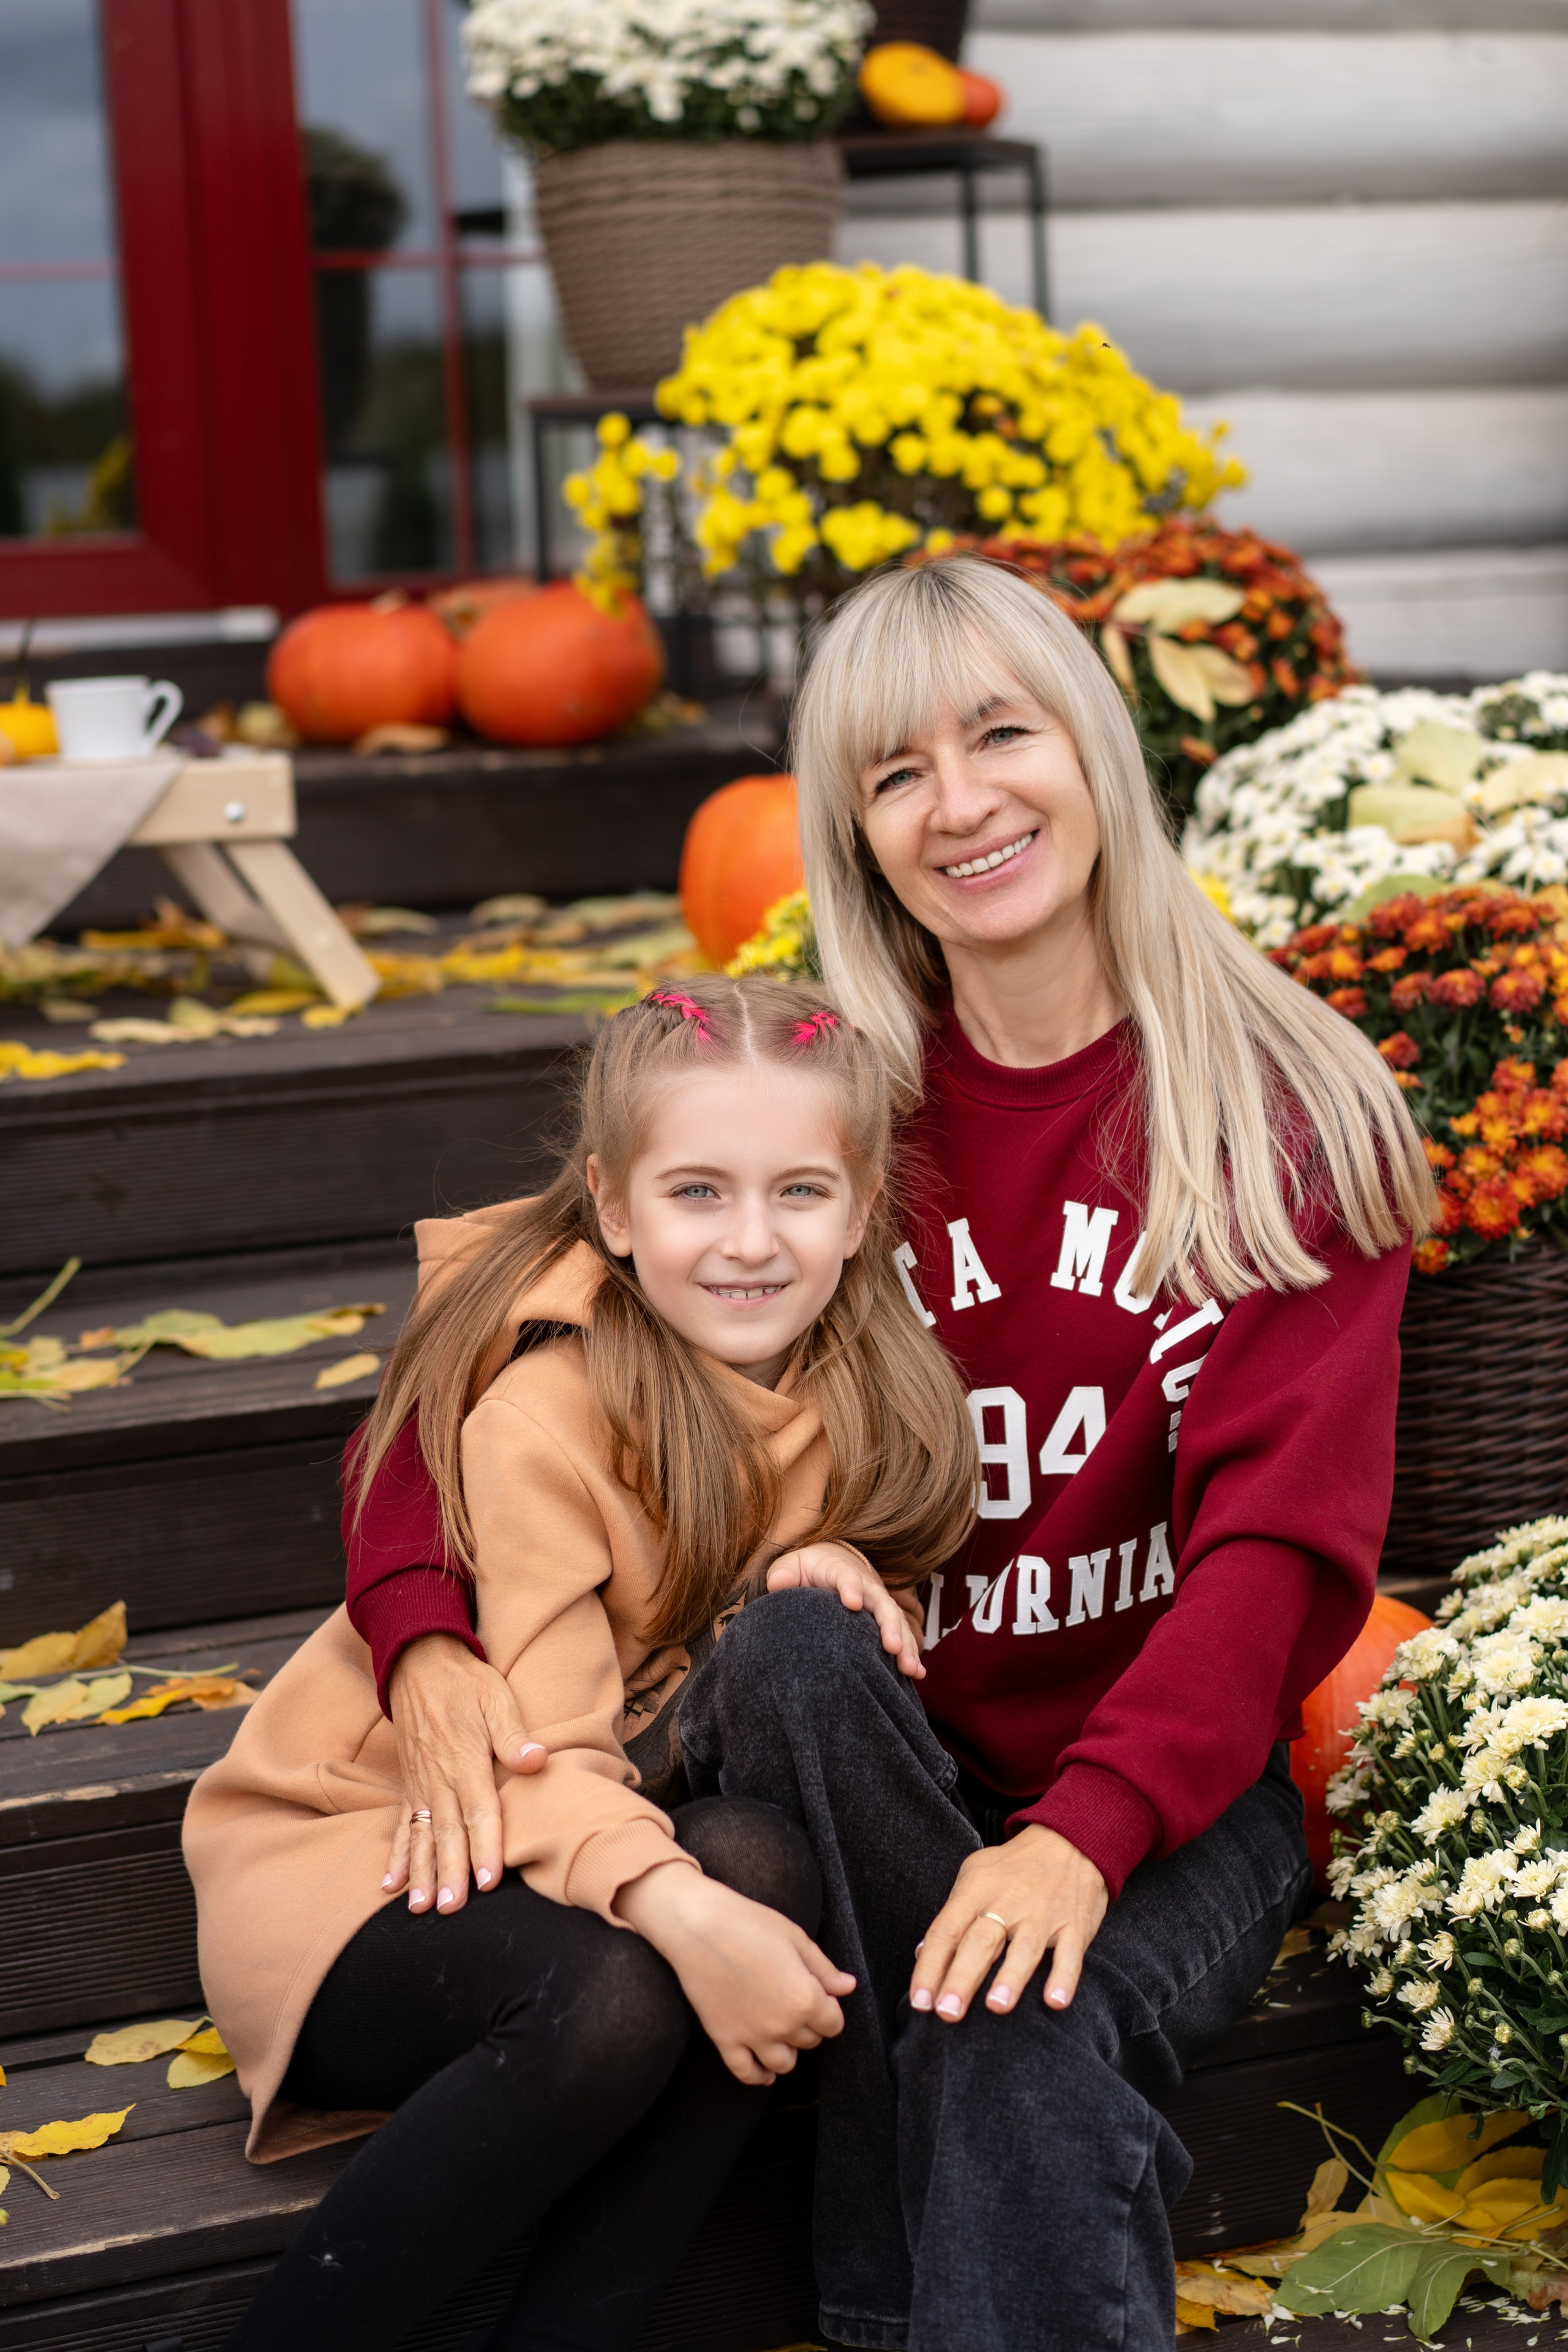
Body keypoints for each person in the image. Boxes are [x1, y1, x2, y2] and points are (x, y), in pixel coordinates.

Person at [343, 554, 1433, 2351]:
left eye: (1000, 735)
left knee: (1015, 2019)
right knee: (793, 1648)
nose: (961, 803)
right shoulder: (833, 1092)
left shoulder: (1282, 1111)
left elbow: (1281, 1554)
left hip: (1169, 1796)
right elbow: (472, 1348)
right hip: (861, 1758)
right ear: (855, 829)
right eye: (895, 772)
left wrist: (1080, 1840)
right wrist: (423, 1634)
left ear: (1092, 747)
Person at [183, 973, 979, 2352]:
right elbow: (533, 1749)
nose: (749, 1242)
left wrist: (860, 1570)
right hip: (377, 1854)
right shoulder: (546, 1414)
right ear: (612, 1207)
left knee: (759, 1871)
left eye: (798, 1192)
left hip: (561, 1845)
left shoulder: (871, 1394)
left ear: (861, 1214)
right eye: (696, 1193)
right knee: (635, 1983)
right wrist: (681, 1914)